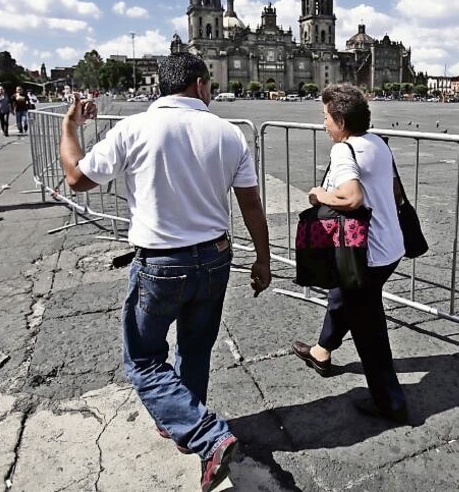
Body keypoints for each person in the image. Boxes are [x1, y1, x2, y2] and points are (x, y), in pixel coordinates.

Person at [59, 53, 272, 492]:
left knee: (142, 359)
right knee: (196, 347)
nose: (211, 92)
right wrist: (263, 259)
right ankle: (186, 425)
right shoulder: (229, 134)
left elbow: (76, 179)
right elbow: (250, 203)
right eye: (209, 85)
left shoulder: (134, 128)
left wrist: (69, 129)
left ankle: (207, 435)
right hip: (215, 258)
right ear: (197, 85)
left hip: (161, 264)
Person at [291, 83, 409, 424]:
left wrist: (317, 196)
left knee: (369, 330)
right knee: (343, 298)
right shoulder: (379, 144)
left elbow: (351, 197)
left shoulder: (344, 150)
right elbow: (396, 193)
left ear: (341, 120)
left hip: (364, 254)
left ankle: (391, 404)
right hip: (390, 246)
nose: (324, 124)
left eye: (326, 117)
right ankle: (321, 353)